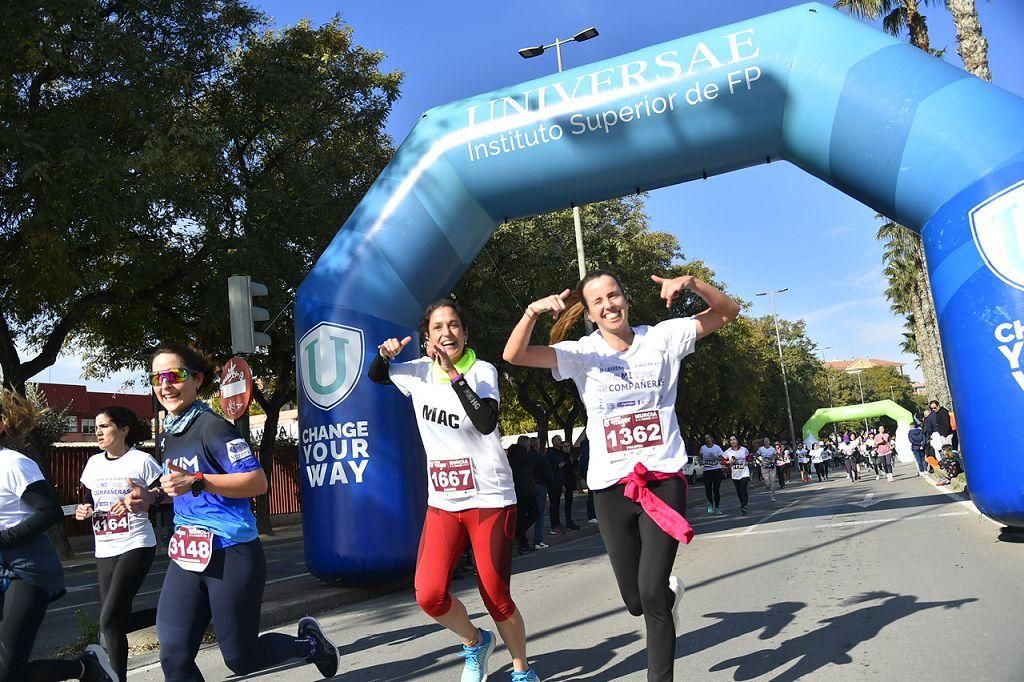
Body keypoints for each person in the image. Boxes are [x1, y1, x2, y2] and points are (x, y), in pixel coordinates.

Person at [503, 269, 739, 681]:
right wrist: (532, 312)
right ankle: (669, 594)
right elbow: (514, 355)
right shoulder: (582, 352)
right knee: (635, 599)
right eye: (598, 301)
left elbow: (727, 312)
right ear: (591, 314)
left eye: (614, 296)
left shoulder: (664, 338)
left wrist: (692, 284)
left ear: (626, 299)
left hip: (662, 478)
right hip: (610, 486)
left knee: (650, 592)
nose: (609, 305)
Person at [127, 342, 339, 681]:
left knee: (241, 659)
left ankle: (310, 646)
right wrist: (151, 497)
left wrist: (198, 481)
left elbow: (257, 482)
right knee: (174, 656)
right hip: (188, 555)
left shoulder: (212, 427)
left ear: (196, 379)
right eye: (157, 378)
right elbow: (179, 487)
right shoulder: (171, 433)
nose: (165, 385)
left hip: (231, 553)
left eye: (174, 375)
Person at [371, 301, 540, 682]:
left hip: (490, 498)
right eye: (437, 327)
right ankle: (475, 642)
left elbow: (484, 421)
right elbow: (378, 375)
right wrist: (385, 354)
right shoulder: (416, 373)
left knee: (496, 596)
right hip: (444, 501)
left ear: (465, 333)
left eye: (454, 326)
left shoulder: (482, 371)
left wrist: (452, 373)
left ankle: (521, 669)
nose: (446, 333)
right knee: (429, 595)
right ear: (427, 336)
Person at [0, 389, 118, 682]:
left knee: (7, 673)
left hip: (26, 570)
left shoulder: (13, 464)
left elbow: (50, 512)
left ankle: (86, 667)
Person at [75, 406, 162, 682]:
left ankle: (116, 679)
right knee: (117, 622)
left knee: (108, 621)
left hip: (136, 543)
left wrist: (145, 498)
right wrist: (84, 509)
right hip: (104, 547)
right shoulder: (93, 463)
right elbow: (90, 498)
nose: (97, 431)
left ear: (123, 430)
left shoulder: (142, 461)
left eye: (104, 426)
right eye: (96, 427)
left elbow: (162, 495)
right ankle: (176, 611)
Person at [507, 439, 539, 553]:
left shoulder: (511, 459)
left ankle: (521, 539)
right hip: (525, 491)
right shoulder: (524, 459)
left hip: (517, 491)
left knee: (521, 516)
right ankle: (520, 535)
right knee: (534, 513)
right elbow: (526, 475)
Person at [527, 437, 554, 548]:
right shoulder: (540, 457)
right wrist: (550, 483)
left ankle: (522, 537)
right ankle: (538, 540)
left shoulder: (526, 457)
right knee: (540, 514)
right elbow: (548, 473)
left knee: (527, 513)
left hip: (527, 486)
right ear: (537, 445)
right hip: (540, 485)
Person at [545, 436, 566, 534]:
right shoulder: (550, 453)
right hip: (553, 482)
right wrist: (557, 466)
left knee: (557, 504)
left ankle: (558, 523)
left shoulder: (560, 453)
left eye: (560, 439)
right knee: (554, 504)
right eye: (558, 440)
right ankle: (554, 525)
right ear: (553, 442)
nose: (560, 441)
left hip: (560, 481)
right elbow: (548, 467)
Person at [699, 435, 725, 515]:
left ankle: (717, 508)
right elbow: (700, 457)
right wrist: (700, 461)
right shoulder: (703, 448)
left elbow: (722, 458)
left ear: (712, 439)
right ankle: (710, 503)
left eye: (709, 438)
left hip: (716, 470)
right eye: (706, 438)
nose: (707, 439)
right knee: (708, 490)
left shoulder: (717, 448)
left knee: (716, 490)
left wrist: (715, 457)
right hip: (707, 470)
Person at [725, 436, 751, 515]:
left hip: (744, 472)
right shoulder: (728, 451)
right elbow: (722, 460)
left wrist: (748, 460)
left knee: (743, 489)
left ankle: (744, 506)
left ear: (737, 441)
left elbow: (749, 456)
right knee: (739, 491)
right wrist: (729, 462)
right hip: (735, 474)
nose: (732, 441)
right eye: (731, 440)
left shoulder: (744, 449)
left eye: (734, 439)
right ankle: (742, 504)